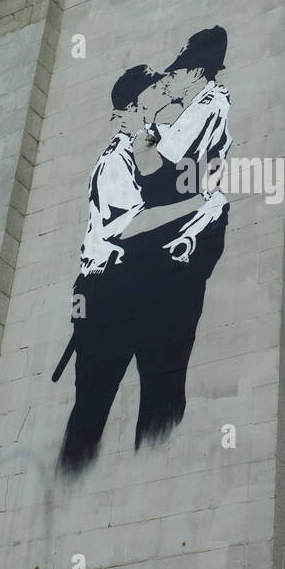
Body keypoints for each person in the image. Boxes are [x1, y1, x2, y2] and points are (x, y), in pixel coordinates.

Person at [56, 27, 232, 475]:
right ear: (135, 108)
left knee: (161, 394)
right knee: (91, 413)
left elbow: (182, 184)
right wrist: (205, 205)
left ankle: (149, 468)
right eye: (161, 90)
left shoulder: (185, 122)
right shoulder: (119, 159)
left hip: (151, 279)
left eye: (172, 83)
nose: (171, 94)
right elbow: (125, 230)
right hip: (108, 288)